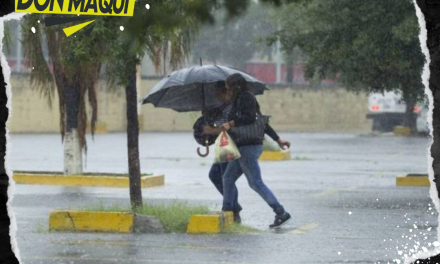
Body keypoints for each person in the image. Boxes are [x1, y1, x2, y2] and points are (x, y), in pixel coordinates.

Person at [203, 80, 290, 227]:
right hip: (242, 147)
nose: (228, 91)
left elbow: (250, 118)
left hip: (248, 147)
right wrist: (278, 139)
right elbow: (262, 123)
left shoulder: (246, 97)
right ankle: (228, 210)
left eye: (229, 87)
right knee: (228, 178)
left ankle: (280, 212)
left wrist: (230, 124)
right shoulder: (239, 101)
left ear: (236, 87)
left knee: (255, 183)